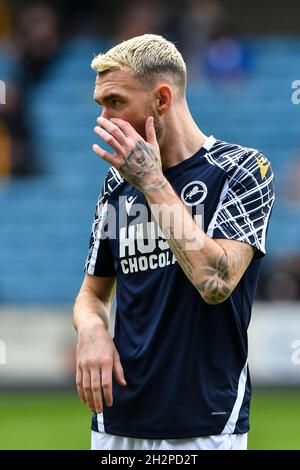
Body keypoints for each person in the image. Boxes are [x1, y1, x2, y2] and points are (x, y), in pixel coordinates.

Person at [73, 34, 275, 451]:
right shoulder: (117, 184)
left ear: (162, 98)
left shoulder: (240, 171)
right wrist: (92, 327)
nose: (104, 119)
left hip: (205, 423)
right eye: (100, 105)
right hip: (117, 419)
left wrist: (151, 182)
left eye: (115, 103)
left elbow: (214, 282)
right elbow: (92, 295)